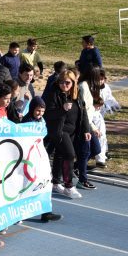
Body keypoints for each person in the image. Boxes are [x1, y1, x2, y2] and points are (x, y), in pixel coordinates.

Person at [43, 69, 89, 199]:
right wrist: (62, 109)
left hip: (73, 130)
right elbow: (48, 114)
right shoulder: (54, 93)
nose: (64, 85)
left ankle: (55, 182)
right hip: (59, 130)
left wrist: (86, 129)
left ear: (73, 83)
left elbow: (83, 112)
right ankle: (69, 185)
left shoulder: (77, 93)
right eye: (61, 82)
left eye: (67, 82)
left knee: (60, 155)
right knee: (70, 154)